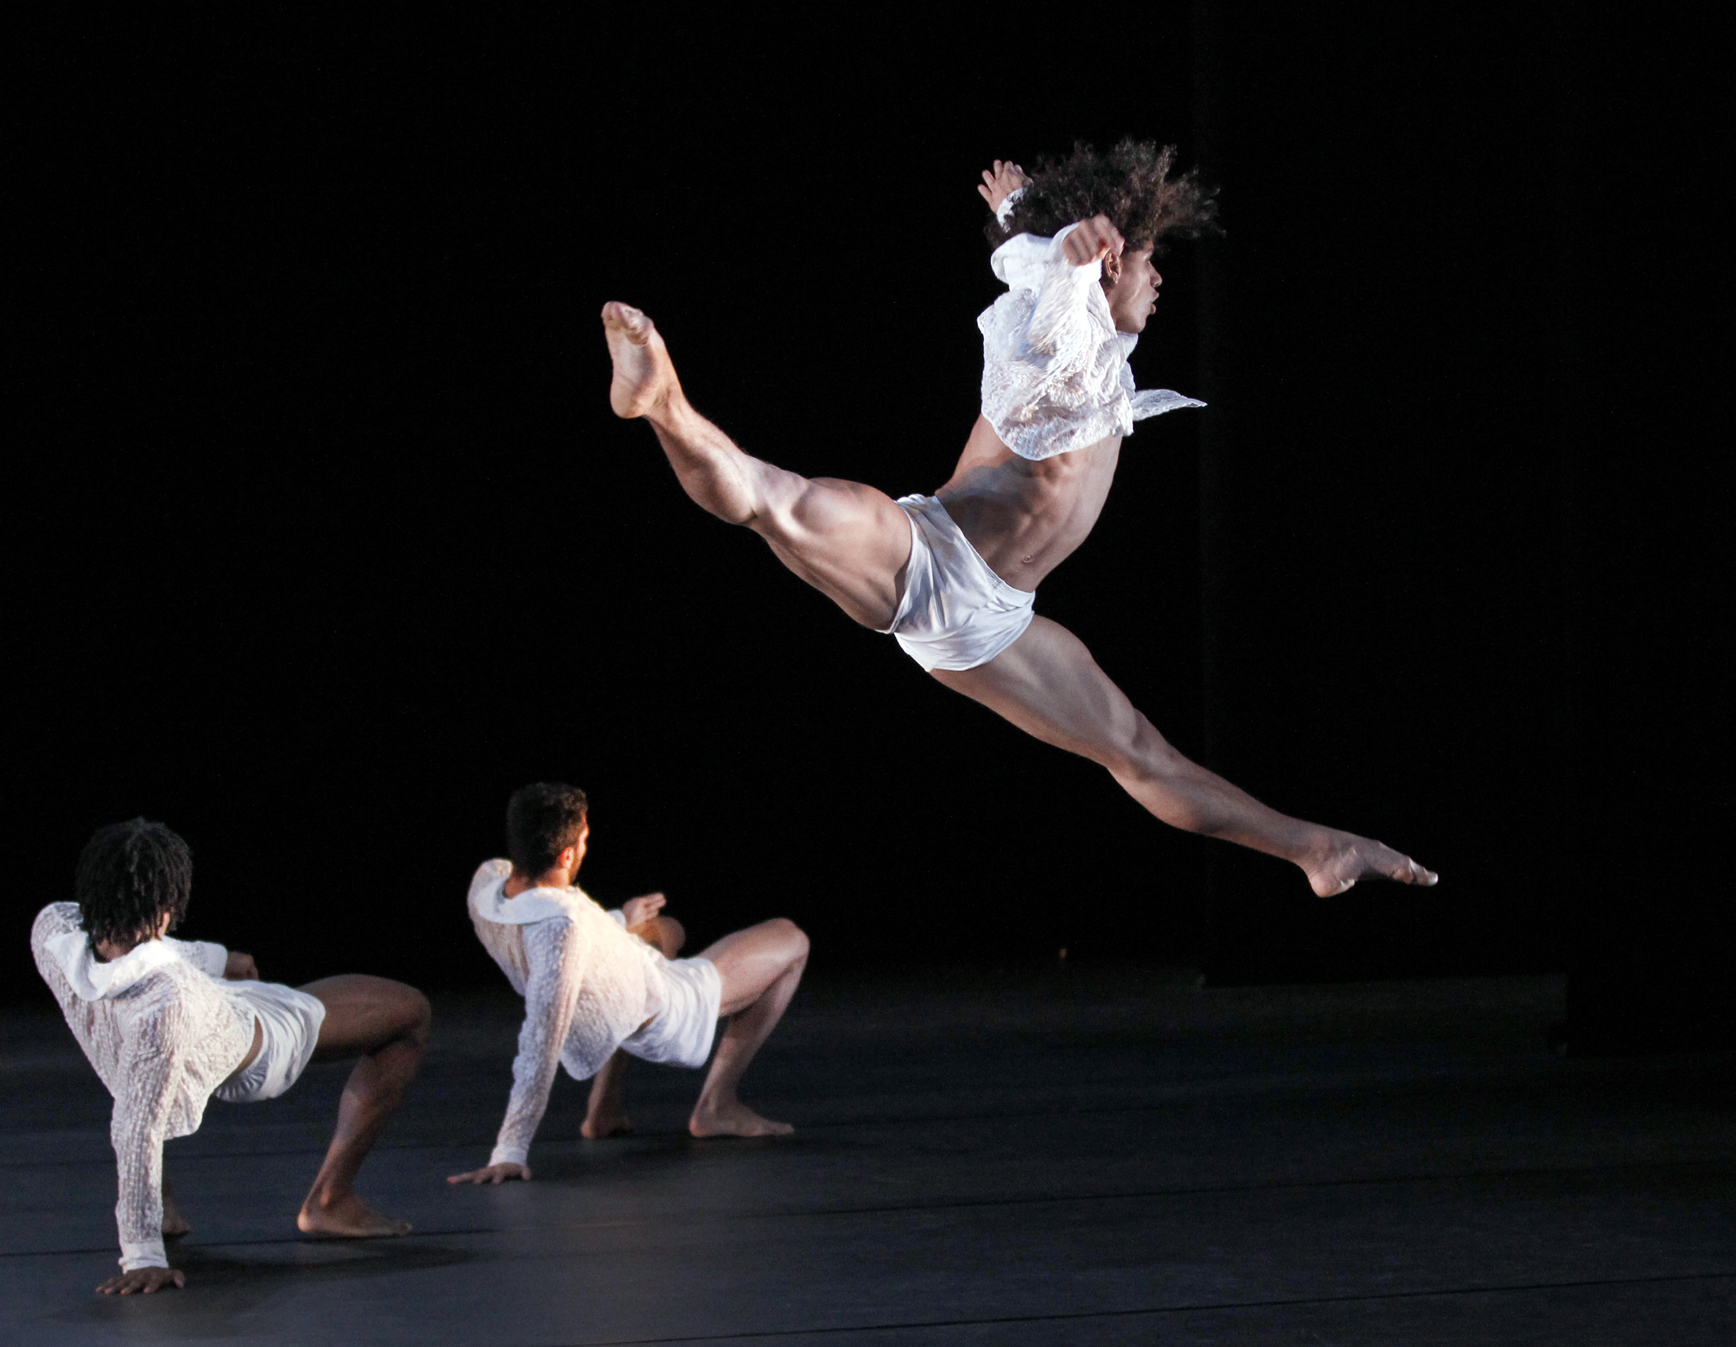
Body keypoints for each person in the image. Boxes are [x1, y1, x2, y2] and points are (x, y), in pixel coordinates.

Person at [602, 139, 1437, 898]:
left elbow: (1027, 256)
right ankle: (663, 402)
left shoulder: (1103, 334)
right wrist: (1070, 257)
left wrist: (1020, 213)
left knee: (1140, 751)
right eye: (1146, 264)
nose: (1157, 280)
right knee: (777, 501)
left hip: (996, 615)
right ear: (1108, 268)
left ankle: (1317, 849)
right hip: (928, 557)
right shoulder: (1059, 327)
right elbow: (1044, 293)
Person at [30, 818, 431, 1295]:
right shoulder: (165, 1002)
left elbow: (146, 954)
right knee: (412, 1012)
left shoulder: (51, 926)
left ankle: (165, 1205)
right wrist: (141, 1256)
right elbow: (135, 1125)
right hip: (260, 1043)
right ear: (165, 909)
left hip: (191, 1017)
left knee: (147, 1065)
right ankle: (329, 1200)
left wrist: (218, 959)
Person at [447, 781, 808, 1186]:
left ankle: (604, 1108)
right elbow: (539, 1043)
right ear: (567, 854)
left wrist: (622, 917)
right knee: (791, 937)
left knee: (665, 929)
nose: (585, 844)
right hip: (671, 1011)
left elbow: (564, 926)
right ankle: (716, 1106)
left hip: (622, 987)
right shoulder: (560, 931)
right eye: (583, 838)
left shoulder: (488, 881)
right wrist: (509, 1150)